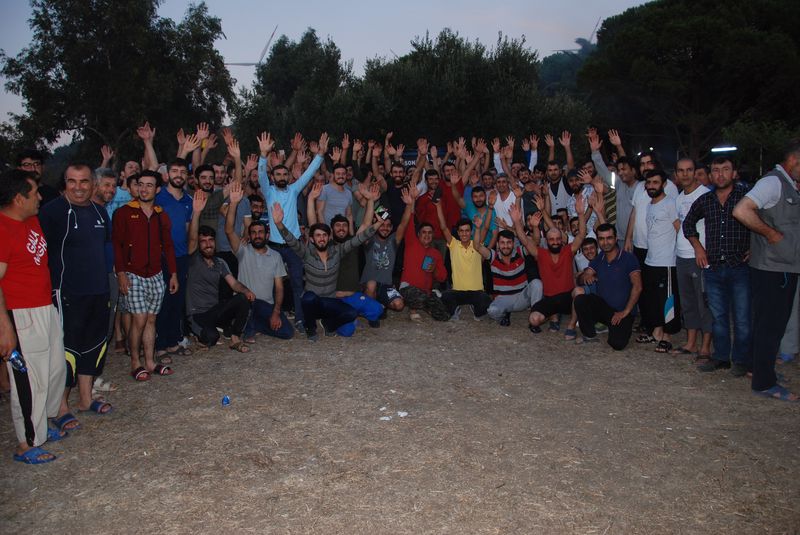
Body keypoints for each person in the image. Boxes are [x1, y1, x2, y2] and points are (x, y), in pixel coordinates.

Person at [0, 169, 67, 464]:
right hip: (20, 313)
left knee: (54, 369)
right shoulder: (3, 229)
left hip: (43, 306)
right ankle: (26, 443)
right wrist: (5, 327)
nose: (40, 197)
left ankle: (41, 426)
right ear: (18, 198)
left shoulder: (31, 220)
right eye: (34, 193)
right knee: (30, 379)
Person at [39, 162, 113, 427]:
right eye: (72, 181)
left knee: (93, 346)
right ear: (65, 183)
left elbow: (105, 248)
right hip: (67, 293)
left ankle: (85, 399)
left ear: (93, 184)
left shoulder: (100, 212)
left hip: (98, 290)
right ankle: (60, 408)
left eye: (84, 181)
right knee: (66, 350)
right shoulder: (52, 212)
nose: (78, 187)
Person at [733, 140, 800, 402]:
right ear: (793, 160)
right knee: (771, 326)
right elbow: (742, 210)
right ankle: (764, 382)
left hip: (777, 265)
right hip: (774, 268)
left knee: (765, 323)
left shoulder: (787, 183)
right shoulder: (773, 183)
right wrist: (771, 235)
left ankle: (758, 369)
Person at [272, 194, 382, 341]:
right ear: (312, 239)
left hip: (330, 301)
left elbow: (359, 239)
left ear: (329, 237)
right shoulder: (306, 254)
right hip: (313, 303)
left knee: (351, 314)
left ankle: (329, 326)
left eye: (324, 235)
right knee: (308, 297)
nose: (321, 238)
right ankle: (311, 329)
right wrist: (279, 224)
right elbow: (291, 241)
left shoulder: (337, 252)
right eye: (318, 236)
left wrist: (378, 224)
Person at [683, 156, 752, 375]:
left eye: (725, 169)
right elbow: (688, 223)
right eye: (715, 170)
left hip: (740, 266)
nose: (720, 174)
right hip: (713, 268)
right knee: (718, 316)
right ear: (710, 175)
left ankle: (741, 360)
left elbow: (765, 221)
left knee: (742, 317)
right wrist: (698, 248)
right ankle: (721, 357)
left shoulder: (746, 197)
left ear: (734, 173)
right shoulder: (706, 200)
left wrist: (755, 246)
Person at [258, 132, 328, 332]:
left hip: (294, 246)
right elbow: (261, 175)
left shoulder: (294, 190)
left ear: (289, 177)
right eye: (278, 174)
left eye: (284, 174)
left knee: (298, 283)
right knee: (272, 284)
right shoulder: (269, 192)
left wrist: (320, 155)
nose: (281, 177)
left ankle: (299, 319)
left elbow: (308, 173)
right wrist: (263, 155)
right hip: (274, 246)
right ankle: (273, 316)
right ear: (273, 177)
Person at [112, 171, 178, 381]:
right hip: (133, 274)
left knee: (151, 319)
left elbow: (168, 246)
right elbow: (117, 245)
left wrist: (173, 273)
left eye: (149, 185)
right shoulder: (124, 213)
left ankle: (150, 361)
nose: (144, 189)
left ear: (157, 189)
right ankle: (135, 362)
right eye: (140, 184)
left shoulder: (161, 215)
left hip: (156, 274)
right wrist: (121, 273)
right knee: (139, 319)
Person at [186, 191, 255, 352]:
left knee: (242, 298)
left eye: (210, 240)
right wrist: (196, 213)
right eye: (203, 241)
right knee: (211, 338)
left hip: (214, 310)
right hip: (197, 314)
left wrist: (246, 290)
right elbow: (192, 239)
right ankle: (196, 334)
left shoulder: (220, 262)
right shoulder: (194, 260)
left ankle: (235, 338)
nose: (208, 244)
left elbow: (234, 284)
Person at [225, 182, 293, 340]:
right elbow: (229, 230)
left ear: (267, 235)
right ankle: (249, 324)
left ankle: (254, 325)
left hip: (265, 306)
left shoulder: (275, 256)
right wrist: (233, 204)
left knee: (287, 333)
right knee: (249, 304)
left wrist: (276, 312)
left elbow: (279, 288)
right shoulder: (243, 250)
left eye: (261, 232)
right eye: (254, 232)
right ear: (249, 235)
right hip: (246, 302)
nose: (257, 235)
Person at [573, 223, 642, 348]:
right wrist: (585, 276)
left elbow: (638, 286)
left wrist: (625, 311)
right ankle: (589, 334)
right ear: (598, 240)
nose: (605, 242)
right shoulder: (599, 258)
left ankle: (617, 326)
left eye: (609, 238)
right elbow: (581, 279)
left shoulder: (628, 258)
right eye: (601, 239)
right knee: (580, 300)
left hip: (622, 311)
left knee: (617, 344)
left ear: (616, 239)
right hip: (604, 308)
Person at [528, 195, 588, 333]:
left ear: (562, 240)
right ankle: (553, 316)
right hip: (550, 298)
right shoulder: (541, 253)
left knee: (579, 291)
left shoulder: (568, 250)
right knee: (534, 319)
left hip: (568, 296)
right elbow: (526, 241)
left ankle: (571, 325)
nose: (555, 242)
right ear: (547, 240)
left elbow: (581, 235)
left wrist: (580, 214)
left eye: (557, 239)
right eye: (551, 239)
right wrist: (518, 222)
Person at [673, 158, 713, 359]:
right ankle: (690, 343)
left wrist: (703, 250)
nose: (685, 174)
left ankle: (705, 346)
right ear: (676, 174)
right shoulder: (679, 197)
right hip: (681, 256)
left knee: (703, 303)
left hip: (700, 257)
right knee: (688, 302)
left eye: (689, 170)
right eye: (681, 171)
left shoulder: (706, 196)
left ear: (695, 172)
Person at [154, 160, 193, 361]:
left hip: (181, 256)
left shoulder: (189, 200)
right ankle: (159, 345)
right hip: (160, 257)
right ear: (167, 174)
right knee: (163, 301)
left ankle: (172, 341)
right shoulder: (158, 196)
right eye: (175, 171)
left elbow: (186, 230)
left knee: (177, 301)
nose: (179, 175)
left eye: (183, 172)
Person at [481, 204, 544, 326]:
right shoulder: (493, 256)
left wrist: (535, 227)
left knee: (537, 283)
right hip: (503, 299)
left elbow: (535, 243)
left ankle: (534, 317)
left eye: (509, 242)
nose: (506, 246)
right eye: (502, 243)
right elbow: (477, 247)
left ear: (513, 243)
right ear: (498, 245)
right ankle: (504, 314)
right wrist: (479, 228)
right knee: (492, 311)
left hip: (522, 298)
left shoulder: (520, 252)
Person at [639, 169, 681, 352]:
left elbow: (679, 229)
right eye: (648, 183)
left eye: (655, 182)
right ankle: (656, 331)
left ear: (663, 184)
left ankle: (667, 335)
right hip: (651, 260)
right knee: (653, 299)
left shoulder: (670, 203)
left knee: (667, 300)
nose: (651, 186)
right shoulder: (650, 205)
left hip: (667, 261)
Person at [435, 200, 492, 320]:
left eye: (467, 230)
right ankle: (456, 309)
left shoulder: (476, 245)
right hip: (458, 291)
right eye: (461, 231)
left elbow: (486, 228)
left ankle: (475, 308)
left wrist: (489, 210)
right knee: (444, 297)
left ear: (471, 232)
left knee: (486, 301)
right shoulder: (454, 244)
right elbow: (443, 227)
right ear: (458, 232)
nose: (464, 234)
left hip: (476, 291)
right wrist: (438, 205)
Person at [399, 189, 449, 322]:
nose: (427, 235)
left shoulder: (435, 253)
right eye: (424, 232)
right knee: (420, 297)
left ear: (433, 236)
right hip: (408, 287)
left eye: (430, 233)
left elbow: (443, 277)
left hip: (425, 291)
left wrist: (435, 270)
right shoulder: (412, 242)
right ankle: (414, 309)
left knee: (443, 316)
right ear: (418, 234)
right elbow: (408, 221)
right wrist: (411, 203)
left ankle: (427, 305)